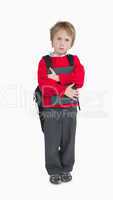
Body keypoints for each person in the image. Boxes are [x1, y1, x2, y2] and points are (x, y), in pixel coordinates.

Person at [37, 21, 85, 184]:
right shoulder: (45, 62)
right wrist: (65, 89)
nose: (62, 43)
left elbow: (79, 79)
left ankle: (66, 168)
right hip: (50, 108)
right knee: (51, 140)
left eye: (66, 40)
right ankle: (54, 170)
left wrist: (58, 78)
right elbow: (44, 84)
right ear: (51, 40)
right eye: (58, 39)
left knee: (68, 139)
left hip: (70, 108)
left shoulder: (74, 60)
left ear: (71, 43)